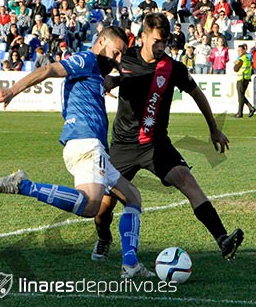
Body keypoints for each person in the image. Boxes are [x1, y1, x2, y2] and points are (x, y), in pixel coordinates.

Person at [0, 26, 155, 278]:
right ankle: (23, 186)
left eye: (121, 56)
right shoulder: (86, 59)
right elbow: (49, 69)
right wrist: (12, 90)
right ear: (100, 42)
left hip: (92, 146)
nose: (118, 60)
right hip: (86, 142)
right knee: (90, 206)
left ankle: (130, 265)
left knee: (132, 197)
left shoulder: (95, 71)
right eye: (116, 53)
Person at [92, 14, 243, 262]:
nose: (161, 47)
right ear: (142, 37)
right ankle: (104, 238)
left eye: (165, 41)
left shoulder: (172, 68)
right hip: (123, 147)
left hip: (156, 145)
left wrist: (214, 129)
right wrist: (112, 80)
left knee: (187, 181)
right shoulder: (125, 58)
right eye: (156, 41)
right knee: (103, 208)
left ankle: (222, 239)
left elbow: (198, 95)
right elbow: (114, 75)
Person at [234, 43, 256, 118]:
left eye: (240, 50)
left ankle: (243, 111)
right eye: (238, 50)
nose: (239, 52)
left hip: (241, 79)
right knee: (241, 95)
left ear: (244, 50)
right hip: (246, 78)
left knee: (240, 96)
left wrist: (236, 63)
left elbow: (235, 69)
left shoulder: (241, 59)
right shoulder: (247, 58)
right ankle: (244, 111)